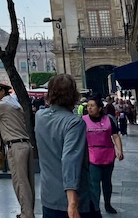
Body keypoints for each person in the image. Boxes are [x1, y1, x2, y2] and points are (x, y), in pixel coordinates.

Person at [36, 74, 102, 218]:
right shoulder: (74, 123)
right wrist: (72, 203)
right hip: (75, 202)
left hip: (49, 198)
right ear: (74, 95)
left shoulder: (40, 117)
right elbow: (70, 160)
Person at [0, 80, 34, 218]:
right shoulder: (15, 104)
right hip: (26, 144)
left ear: (2, 92)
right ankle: (28, 212)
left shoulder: (3, 105)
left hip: (16, 146)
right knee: (28, 182)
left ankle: (26, 215)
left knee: (20, 182)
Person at [83, 94, 124, 214]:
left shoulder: (109, 119)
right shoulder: (83, 120)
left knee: (107, 181)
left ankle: (108, 204)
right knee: (94, 182)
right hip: (92, 155)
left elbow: (115, 136)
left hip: (107, 154)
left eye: (92, 106)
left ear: (100, 108)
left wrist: (119, 150)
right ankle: (95, 207)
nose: (89, 108)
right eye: (88, 106)